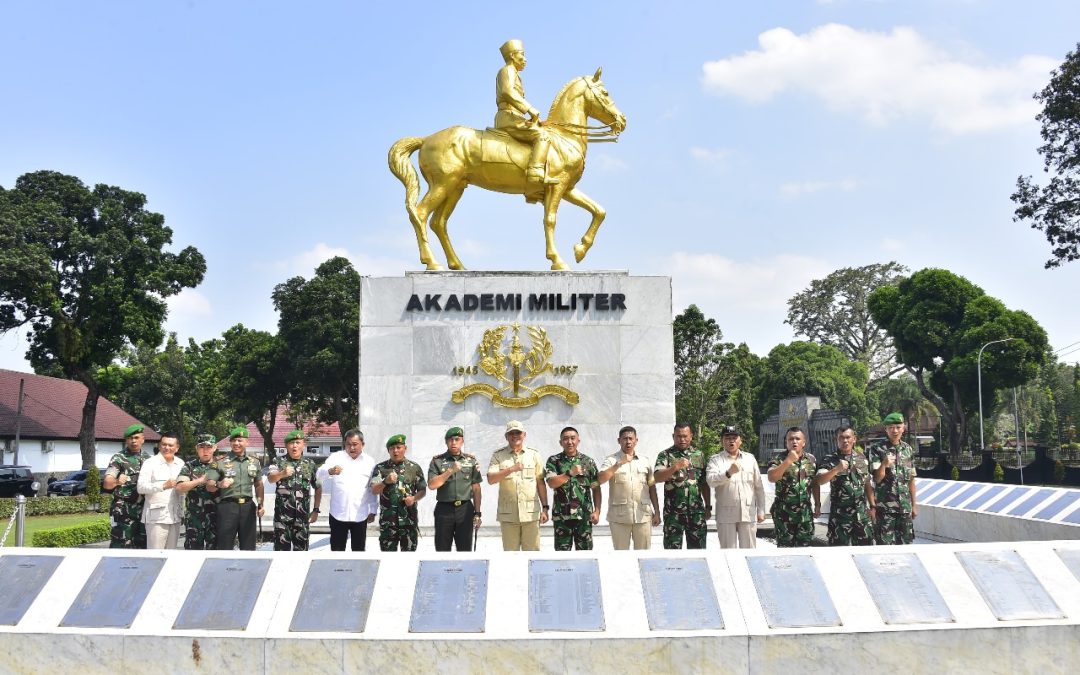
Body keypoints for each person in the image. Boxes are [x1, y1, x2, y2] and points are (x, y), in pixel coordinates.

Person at [495, 38, 554, 200]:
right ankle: (535, 176)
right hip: (508, 117)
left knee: (544, 130)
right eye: (522, 55)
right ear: (513, 56)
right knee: (543, 136)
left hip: (515, 117)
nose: (525, 59)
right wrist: (530, 109)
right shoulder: (506, 71)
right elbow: (507, 92)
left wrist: (537, 120)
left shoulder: (514, 74)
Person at [487, 420, 549, 551]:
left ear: (524, 435)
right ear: (506, 437)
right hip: (509, 515)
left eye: (518, 433)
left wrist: (545, 508)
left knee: (532, 555)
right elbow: (491, 479)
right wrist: (510, 469)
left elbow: (540, 483)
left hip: (531, 514)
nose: (515, 436)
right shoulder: (498, 455)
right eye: (511, 433)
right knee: (510, 556)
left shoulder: (534, 454)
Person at [598, 426, 660, 550]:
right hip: (619, 517)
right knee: (621, 556)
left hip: (643, 515)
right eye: (625, 438)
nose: (628, 442)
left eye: (631, 438)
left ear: (636, 440)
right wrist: (618, 464)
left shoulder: (644, 461)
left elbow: (651, 487)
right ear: (618, 440)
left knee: (643, 555)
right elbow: (600, 479)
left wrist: (657, 512)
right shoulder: (611, 460)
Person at [317, 429, 379, 551]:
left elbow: (371, 489)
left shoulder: (370, 462)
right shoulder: (335, 457)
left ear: (363, 444)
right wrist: (330, 471)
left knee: (358, 551)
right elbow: (319, 474)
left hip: (360, 514)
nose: (351, 447)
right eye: (348, 444)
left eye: (355, 444)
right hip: (338, 514)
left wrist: (373, 509)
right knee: (337, 551)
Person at [705, 425, 766, 549]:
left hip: (748, 512)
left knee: (749, 551)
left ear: (740, 440)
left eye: (734, 437)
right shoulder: (716, 460)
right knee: (728, 552)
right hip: (726, 513)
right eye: (727, 438)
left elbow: (758, 487)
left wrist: (761, 510)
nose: (731, 441)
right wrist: (728, 473)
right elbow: (710, 481)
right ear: (722, 440)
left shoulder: (750, 459)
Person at [815, 425, 875, 546]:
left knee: (864, 553)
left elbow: (867, 483)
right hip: (839, 517)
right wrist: (836, 469)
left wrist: (873, 506)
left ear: (854, 439)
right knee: (838, 554)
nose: (845, 441)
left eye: (848, 437)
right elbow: (819, 480)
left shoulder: (862, 458)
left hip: (861, 516)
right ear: (836, 440)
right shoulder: (829, 459)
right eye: (841, 438)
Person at [207, 426, 265, 550]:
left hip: (248, 507)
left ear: (247, 442)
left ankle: (247, 570)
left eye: (240, 440)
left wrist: (260, 505)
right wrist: (219, 484)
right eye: (234, 440)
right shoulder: (220, 461)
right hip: (228, 507)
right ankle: (224, 569)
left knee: (249, 547)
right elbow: (209, 485)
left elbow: (259, 484)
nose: (236, 443)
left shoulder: (254, 462)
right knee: (225, 546)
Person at [544, 427, 601, 551]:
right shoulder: (554, 461)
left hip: (584, 516)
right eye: (565, 439)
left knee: (586, 555)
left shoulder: (588, 462)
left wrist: (597, 511)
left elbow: (596, 488)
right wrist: (569, 473)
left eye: (572, 438)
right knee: (562, 556)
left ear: (578, 440)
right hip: (562, 517)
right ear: (560, 442)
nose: (569, 442)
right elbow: (551, 483)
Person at [654, 423, 710, 549]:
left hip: (696, 513)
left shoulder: (699, 455)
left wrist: (708, 506)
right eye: (678, 436)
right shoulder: (665, 455)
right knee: (672, 553)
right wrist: (675, 467)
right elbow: (657, 477)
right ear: (673, 436)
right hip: (673, 513)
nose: (682, 439)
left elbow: (704, 483)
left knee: (699, 552)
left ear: (691, 436)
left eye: (685, 436)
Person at [427, 426, 483, 552]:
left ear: (462, 441)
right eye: (450, 440)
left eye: (457, 439)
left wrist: (477, 513)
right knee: (442, 548)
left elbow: (476, 488)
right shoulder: (438, 461)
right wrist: (450, 471)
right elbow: (432, 485)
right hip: (444, 509)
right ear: (446, 442)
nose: (453, 443)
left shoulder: (471, 460)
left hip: (465, 508)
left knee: (465, 548)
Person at [267, 430, 323, 551]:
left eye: (298, 442)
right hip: (282, 519)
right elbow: (271, 478)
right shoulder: (278, 461)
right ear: (286, 445)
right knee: (281, 554)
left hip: (302, 518)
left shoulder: (310, 464)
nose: (295, 446)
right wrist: (282, 474)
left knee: (301, 554)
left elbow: (318, 487)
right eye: (291, 443)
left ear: (304, 445)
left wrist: (316, 510)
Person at [370, 434, 426, 552]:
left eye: (398, 447)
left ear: (405, 448)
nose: (395, 451)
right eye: (392, 448)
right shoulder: (380, 468)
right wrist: (386, 481)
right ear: (388, 450)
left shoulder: (414, 468)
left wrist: (414, 498)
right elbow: (374, 490)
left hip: (408, 521)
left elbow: (422, 490)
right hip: (388, 523)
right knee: (387, 559)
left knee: (409, 559)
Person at [869, 412, 918, 545]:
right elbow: (877, 479)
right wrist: (884, 464)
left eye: (897, 427)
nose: (894, 430)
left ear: (903, 427)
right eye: (891, 427)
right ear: (886, 429)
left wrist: (913, 505)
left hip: (904, 508)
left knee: (906, 545)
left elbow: (911, 480)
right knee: (885, 546)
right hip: (885, 510)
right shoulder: (877, 449)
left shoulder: (908, 449)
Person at [767, 427, 821, 548]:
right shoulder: (778, 459)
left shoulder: (811, 460)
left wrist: (817, 504)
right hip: (784, 514)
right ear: (786, 442)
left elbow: (814, 483)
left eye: (797, 438)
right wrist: (788, 461)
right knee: (786, 551)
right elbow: (772, 477)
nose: (794, 441)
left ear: (804, 442)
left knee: (806, 549)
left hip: (805, 513)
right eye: (790, 439)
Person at [103, 423, 149, 548]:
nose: (133, 441)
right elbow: (107, 483)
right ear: (126, 440)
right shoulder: (118, 458)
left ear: (143, 439)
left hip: (144, 509)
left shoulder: (149, 459)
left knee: (143, 545)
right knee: (121, 545)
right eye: (130, 438)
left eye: (136, 437)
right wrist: (117, 481)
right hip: (124, 509)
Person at [136, 430, 184, 549]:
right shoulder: (150, 463)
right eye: (164, 444)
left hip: (175, 516)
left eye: (170, 445)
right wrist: (162, 486)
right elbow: (140, 487)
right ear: (159, 445)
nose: (166, 447)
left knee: (171, 556)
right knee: (155, 556)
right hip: (156, 518)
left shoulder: (181, 463)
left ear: (177, 448)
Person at [175, 434, 219, 550]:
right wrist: (200, 480)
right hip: (194, 518)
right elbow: (180, 487)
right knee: (192, 553)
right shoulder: (189, 466)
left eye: (209, 447)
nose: (205, 451)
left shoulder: (222, 466)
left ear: (215, 448)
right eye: (201, 447)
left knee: (215, 553)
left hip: (216, 517)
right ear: (196, 448)